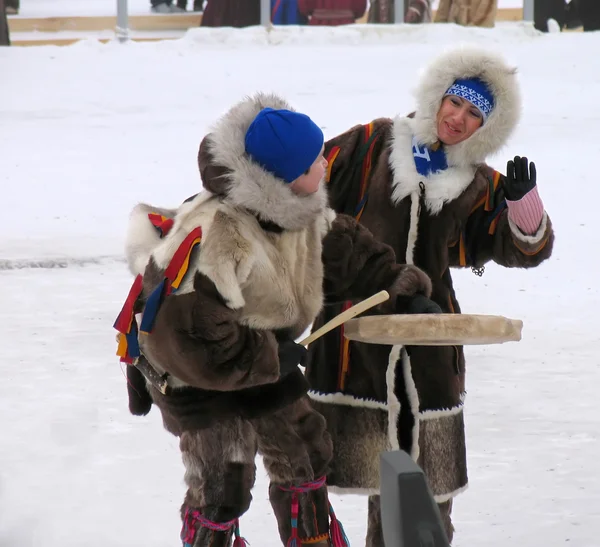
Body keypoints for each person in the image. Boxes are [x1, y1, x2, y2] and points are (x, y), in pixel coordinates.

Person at [115, 93, 438, 546]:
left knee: (304, 451)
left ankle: (312, 539)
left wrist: (398, 286)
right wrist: (268, 356)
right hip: (193, 375)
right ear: (280, 179)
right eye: (312, 163)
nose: (325, 165)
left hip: (260, 354)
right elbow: (186, 335)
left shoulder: (297, 212)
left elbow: (343, 252)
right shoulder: (217, 235)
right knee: (224, 479)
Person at [304, 46, 555, 545]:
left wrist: (523, 206)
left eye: (474, 114)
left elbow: (523, 249)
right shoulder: (372, 144)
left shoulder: (477, 181)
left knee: (427, 492)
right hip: (355, 334)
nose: (458, 119)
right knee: (350, 474)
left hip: (431, 344)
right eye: (455, 104)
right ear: (437, 96)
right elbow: (303, 187)